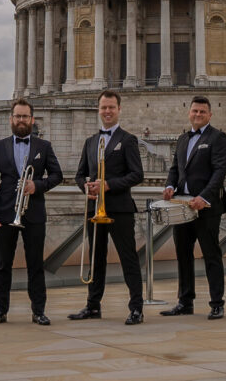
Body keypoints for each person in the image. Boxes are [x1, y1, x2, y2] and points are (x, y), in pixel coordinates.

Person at [68, 90, 146, 325]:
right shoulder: (91, 142)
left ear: (119, 109)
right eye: (104, 107)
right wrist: (87, 188)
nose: (107, 111)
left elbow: (137, 174)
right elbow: (80, 175)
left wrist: (108, 185)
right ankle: (93, 305)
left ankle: (136, 308)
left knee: (128, 259)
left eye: (111, 107)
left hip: (120, 209)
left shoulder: (128, 140)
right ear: (98, 110)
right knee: (96, 259)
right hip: (96, 209)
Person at [0, 97, 63, 326]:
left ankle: (38, 311)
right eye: (17, 116)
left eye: (25, 116)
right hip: (5, 213)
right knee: (2, 265)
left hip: (34, 213)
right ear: (11, 119)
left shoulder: (43, 146)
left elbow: (57, 176)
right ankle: (0, 311)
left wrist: (37, 185)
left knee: (36, 265)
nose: (21, 120)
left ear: (32, 119)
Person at [160, 95, 226, 320]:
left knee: (211, 255)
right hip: (183, 206)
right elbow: (175, 168)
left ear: (210, 115)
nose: (198, 115)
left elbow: (219, 172)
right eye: (195, 111)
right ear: (189, 113)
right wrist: (169, 186)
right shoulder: (183, 138)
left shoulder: (218, 137)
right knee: (183, 254)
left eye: (202, 112)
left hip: (206, 207)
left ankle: (217, 303)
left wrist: (204, 197)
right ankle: (185, 301)